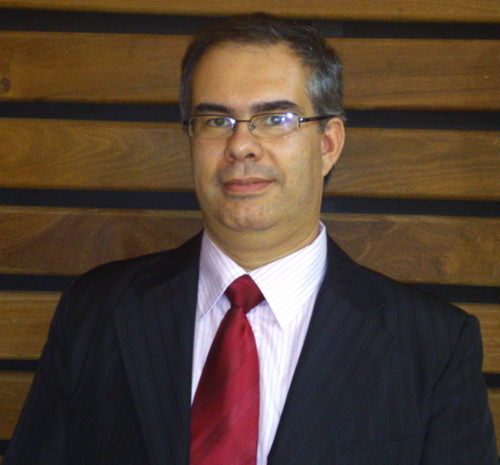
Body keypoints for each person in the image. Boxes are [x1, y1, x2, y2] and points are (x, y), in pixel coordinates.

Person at [3, 14, 497, 465]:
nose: (241, 145)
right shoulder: (95, 310)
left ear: (328, 144)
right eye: (216, 121)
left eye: (275, 119)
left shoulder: (433, 345)